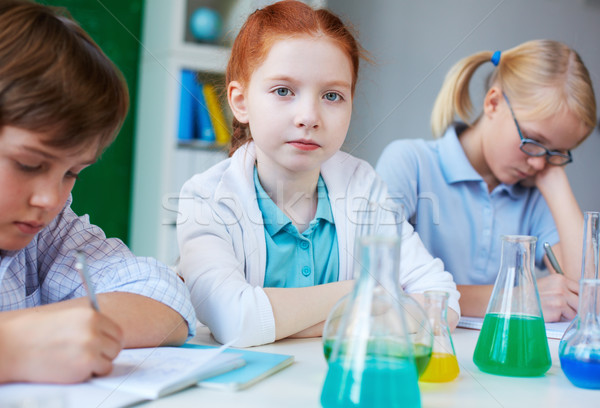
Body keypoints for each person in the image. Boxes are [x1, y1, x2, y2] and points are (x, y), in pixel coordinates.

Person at [177, 0, 460, 348]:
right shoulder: (205, 197)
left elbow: (440, 300)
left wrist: (279, 321)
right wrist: (364, 292)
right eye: (284, 91)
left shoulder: (363, 185)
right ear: (240, 101)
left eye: (332, 95)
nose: (309, 116)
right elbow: (236, 323)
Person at [0, 0, 196, 384]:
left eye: (72, 173)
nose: (50, 199)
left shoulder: (47, 229)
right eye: (28, 164)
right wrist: (11, 346)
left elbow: (163, 297)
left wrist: (30, 330)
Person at [376, 40, 597, 322]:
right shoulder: (410, 162)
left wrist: (555, 180)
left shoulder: (536, 188)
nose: (539, 162)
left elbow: (588, 296)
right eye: (534, 141)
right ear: (493, 102)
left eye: (556, 152)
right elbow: (378, 282)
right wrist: (515, 298)